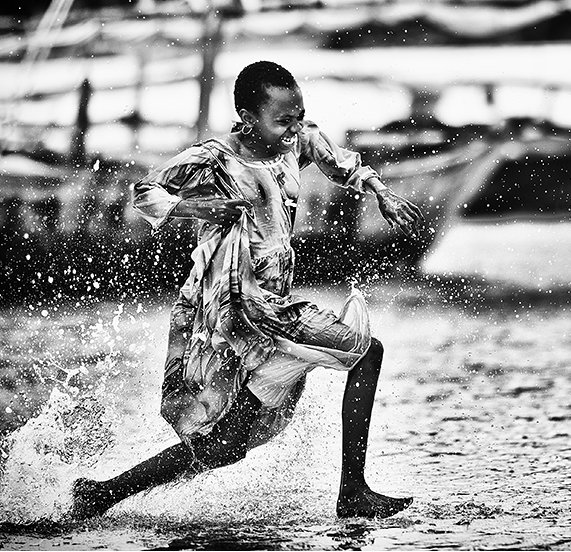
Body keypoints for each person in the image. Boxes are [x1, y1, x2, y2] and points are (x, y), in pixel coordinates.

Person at [71, 61, 423, 520]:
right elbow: (146, 192)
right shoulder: (214, 158)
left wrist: (380, 191)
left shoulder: (298, 139)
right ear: (247, 116)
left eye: (298, 116)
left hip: (273, 306)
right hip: (241, 311)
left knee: (226, 446)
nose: (293, 129)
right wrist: (194, 205)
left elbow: (344, 164)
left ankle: (100, 494)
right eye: (282, 121)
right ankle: (352, 492)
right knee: (366, 352)